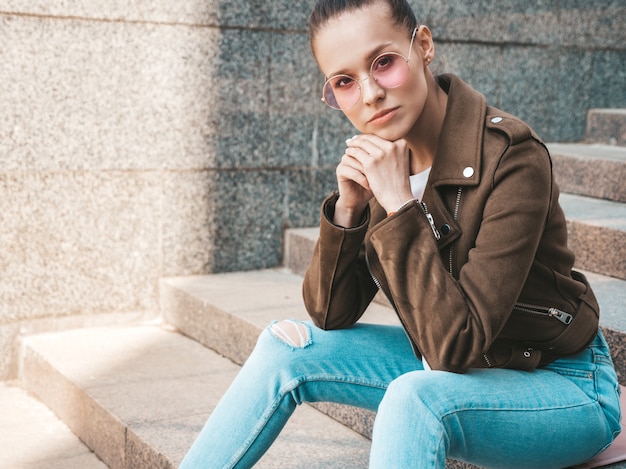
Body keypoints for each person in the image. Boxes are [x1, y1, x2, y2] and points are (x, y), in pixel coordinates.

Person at [179, 0, 621, 467]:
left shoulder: (512, 158)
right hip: (460, 371)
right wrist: (350, 210)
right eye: (344, 82)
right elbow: (333, 313)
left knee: (415, 398)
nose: (370, 94)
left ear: (424, 46)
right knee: (284, 348)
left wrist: (400, 206)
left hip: (562, 383)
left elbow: (455, 345)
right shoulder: (388, 162)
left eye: (384, 63)